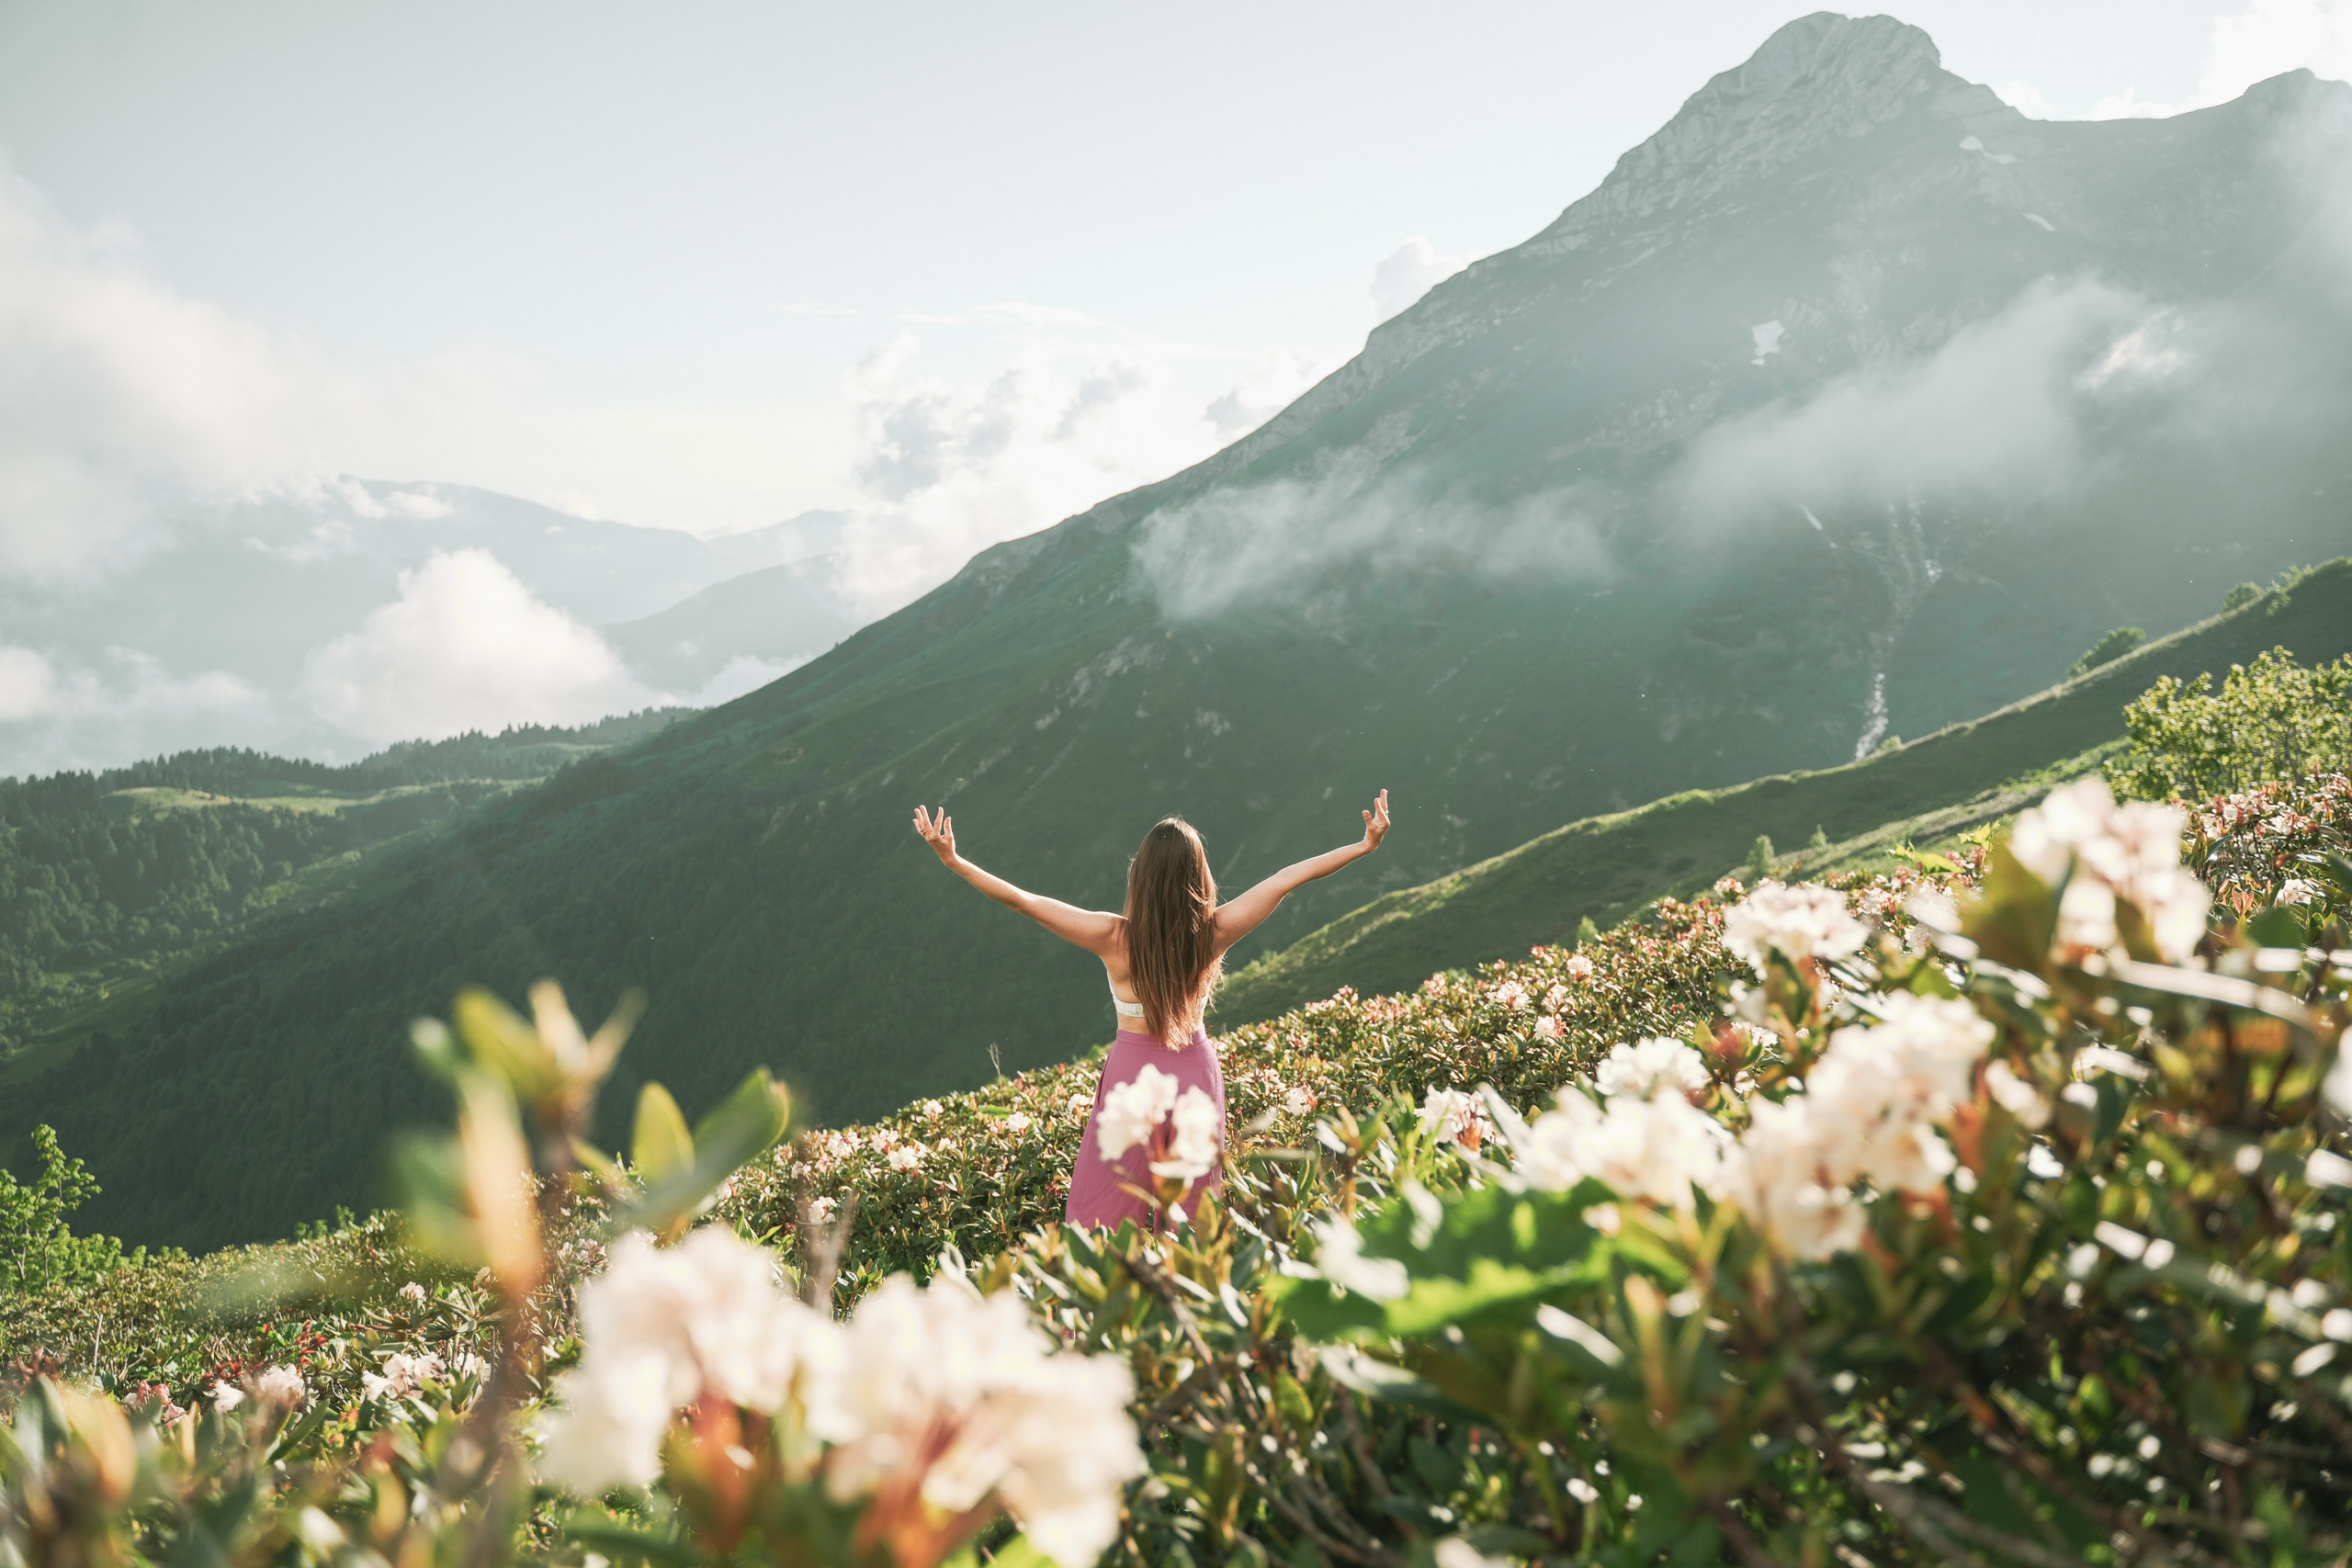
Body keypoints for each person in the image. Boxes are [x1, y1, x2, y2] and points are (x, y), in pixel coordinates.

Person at [911, 791, 1392, 1231]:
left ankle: (1103, 1288)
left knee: (1103, 1206)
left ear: (1139, 876)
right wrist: (1362, 846)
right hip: (1195, 1072)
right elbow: (1288, 878)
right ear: (1199, 877)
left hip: (1131, 1075)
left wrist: (954, 861)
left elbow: (1025, 902)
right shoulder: (1215, 933)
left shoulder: (1112, 937)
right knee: (1192, 1211)